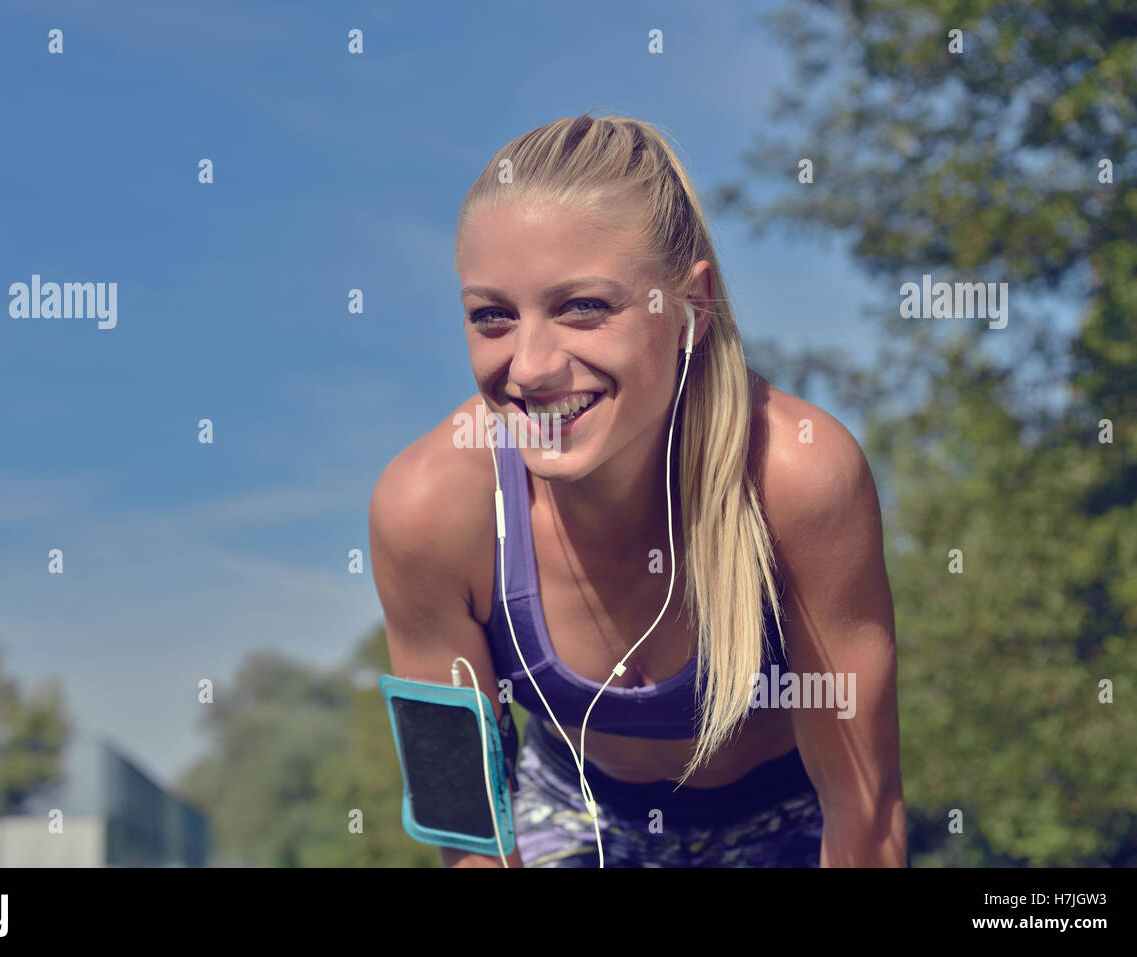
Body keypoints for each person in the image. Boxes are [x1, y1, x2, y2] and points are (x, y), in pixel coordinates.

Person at [369, 110, 905, 867]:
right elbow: (469, 834)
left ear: (691, 305)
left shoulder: (798, 478)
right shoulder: (424, 511)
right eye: (492, 315)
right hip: (573, 816)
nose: (529, 367)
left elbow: (866, 807)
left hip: (790, 821)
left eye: (582, 306)